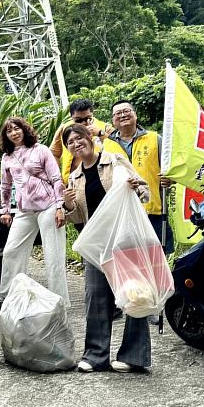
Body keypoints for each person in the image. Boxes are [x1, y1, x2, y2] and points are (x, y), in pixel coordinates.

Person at [62, 124, 152, 373]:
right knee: (95, 298)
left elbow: (145, 193)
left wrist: (138, 188)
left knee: (134, 294)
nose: (76, 143)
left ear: (89, 138)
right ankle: (95, 356)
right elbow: (79, 216)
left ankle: (133, 357)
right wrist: (68, 206)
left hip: (125, 239)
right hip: (98, 242)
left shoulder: (115, 161)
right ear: (68, 148)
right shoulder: (75, 177)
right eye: (70, 142)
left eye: (79, 137)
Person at [0, 117, 70, 305]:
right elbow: (5, 186)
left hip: (49, 207)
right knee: (11, 251)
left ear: (24, 129)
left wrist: (60, 207)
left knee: (53, 255)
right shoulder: (7, 157)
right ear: (6, 136)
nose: (14, 133)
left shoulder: (41, 150)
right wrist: (5, 210)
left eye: (17, 129)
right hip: (24, 211)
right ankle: (7, 296)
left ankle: (58, 301)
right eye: (9, 131)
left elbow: (56, 179)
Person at [108, 100, 173, 255]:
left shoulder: (154, 139)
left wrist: (169, 179)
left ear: (135, 115)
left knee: (157, 258)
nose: (123, 115)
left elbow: (170, 168)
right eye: (118, 113)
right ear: (113, 120)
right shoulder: (106, 145)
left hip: (153, 210)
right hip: (121, 213)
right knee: (130, 259)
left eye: (126, 111)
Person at [49, 99, 119, 184]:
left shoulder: (104, 127)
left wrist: (101, 133)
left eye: (87, 119)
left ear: (92, 115)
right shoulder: (64, 129)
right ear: (71, 118)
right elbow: (53, 154)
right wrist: (57, 179)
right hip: (71, 183)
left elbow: (120, 147)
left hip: (101, 180)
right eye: (78, 120)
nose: (83, 123)